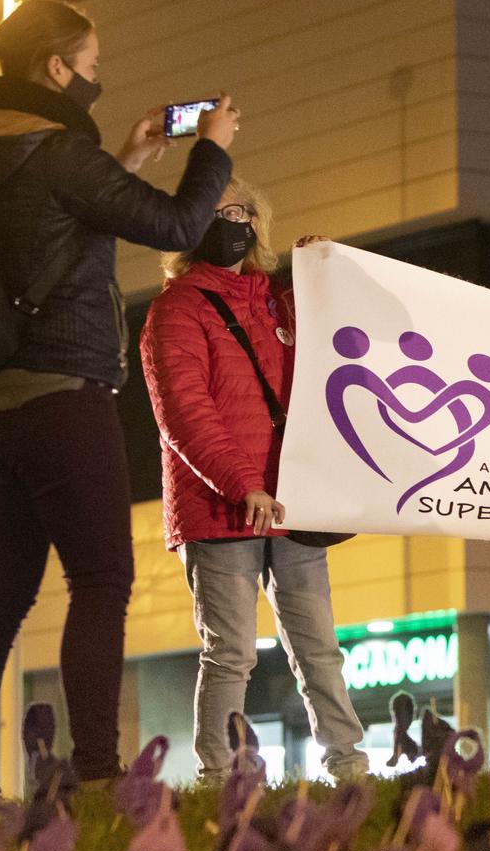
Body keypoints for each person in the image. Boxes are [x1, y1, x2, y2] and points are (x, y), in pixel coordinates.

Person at [0, 0, 237, 791]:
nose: (97, 83)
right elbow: (176, 226)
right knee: (100, 581)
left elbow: (52, 227)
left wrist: (126, 158)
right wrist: (210, 151)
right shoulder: (64, 152)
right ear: (57, 67)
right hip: (60, 400)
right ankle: (98, 777)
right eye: (92, 68)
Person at [140, 177, 370, 786]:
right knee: (231, 654)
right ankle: (219, 779)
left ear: (257, 222)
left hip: (292, 501)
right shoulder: (176, 307)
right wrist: (242, 483)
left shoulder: (277, 302)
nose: (231, 222)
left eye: (239, 210)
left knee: (319, 648)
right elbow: (182, 410)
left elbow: (337, 351)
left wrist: (325, 274)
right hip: (221, 507)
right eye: (215, 213)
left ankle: (348, 767)